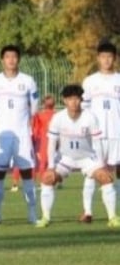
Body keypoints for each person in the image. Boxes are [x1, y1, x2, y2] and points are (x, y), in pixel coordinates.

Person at [37, 84, 120, 228]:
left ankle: (112, 217)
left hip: (87, 158)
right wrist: (51, 166)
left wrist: (100, 165)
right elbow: (52, 143)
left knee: (106, 178)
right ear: (64, 100)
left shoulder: (90, 117)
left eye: (77, 99)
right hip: (65, 159)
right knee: (47, 178)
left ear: (81, 100)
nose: (74, 102)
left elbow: (97, 142)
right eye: (70, 99)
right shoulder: (58, 118)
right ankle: (45, 217)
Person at [0, 45, 39, 225]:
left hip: (22, 135)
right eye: (7, 57)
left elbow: (34, 106)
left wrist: (24, 123)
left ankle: (32, 213)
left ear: (19, 59)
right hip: (2, 135)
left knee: (26, 174)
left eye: (14, 57)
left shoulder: (28, 81)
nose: (11, 60)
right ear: (2, 60)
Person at [80, 42, 120, 223]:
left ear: (115, 59)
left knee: (115, 172)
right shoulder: (89, 81)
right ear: (98, 59)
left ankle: (113, 214)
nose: (106, 60)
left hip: (117, 133)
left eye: (110, 56)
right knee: (92, 172)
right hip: (95, 136)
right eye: (103, 56)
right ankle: (88, 212)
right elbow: (84, 109)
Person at [32, 95, 56, 180]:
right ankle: (57, 180)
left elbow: (36, 130)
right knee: (55, 161)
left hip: (45, 141)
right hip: (56, 140)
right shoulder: (57, 115)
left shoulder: (39, 115)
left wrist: (35, 140)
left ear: (44, 104)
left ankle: (43, 181)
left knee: (43, 162)